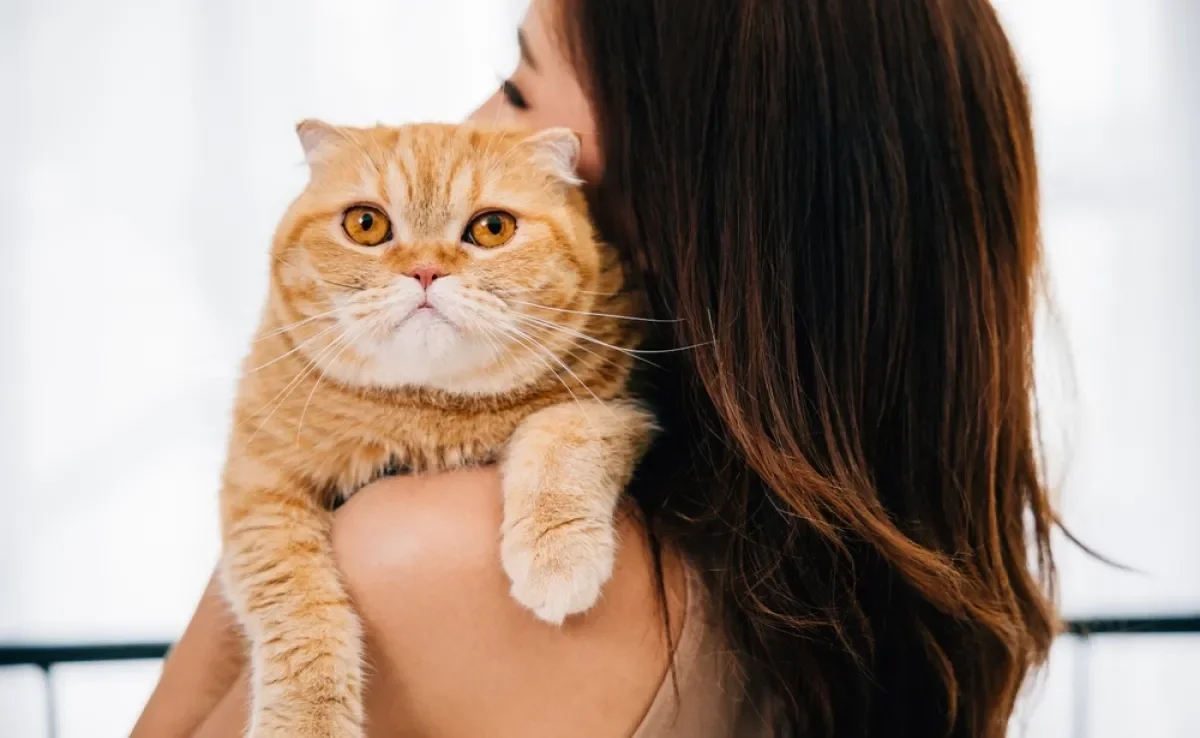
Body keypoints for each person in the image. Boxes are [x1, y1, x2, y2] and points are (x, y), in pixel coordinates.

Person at [134, 0, 1060, 735]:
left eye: (518, 92)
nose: (468, 123)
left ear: (680, 211)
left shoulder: (424, 559)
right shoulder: (877, 607)